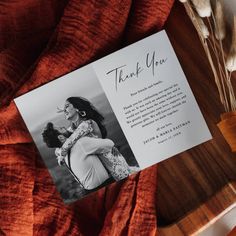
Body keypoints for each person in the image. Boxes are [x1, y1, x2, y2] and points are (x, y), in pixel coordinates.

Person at [42, 122, 114, 192]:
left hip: (88, 190)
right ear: (61, 137)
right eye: (61, 128)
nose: (64, 127)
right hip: (105, 186)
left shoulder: (62, 153)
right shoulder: (80, 144)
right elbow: (110, 144)